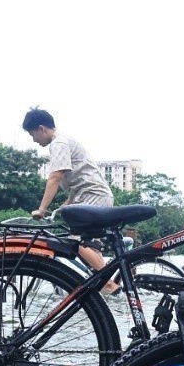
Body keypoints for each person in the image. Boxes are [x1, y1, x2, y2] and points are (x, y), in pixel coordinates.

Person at [22, 108, 115, 273]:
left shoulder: (59, 143)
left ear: (41, 129)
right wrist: (63, 207)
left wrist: (42, 209)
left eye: (33, 135)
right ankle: (109, 289)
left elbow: (54, 178)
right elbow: (76, 184)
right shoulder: (64, 140)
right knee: (91, 245)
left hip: (92, 195)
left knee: (75, 242)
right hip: (96, 195)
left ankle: (108, 284)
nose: (34, 140)